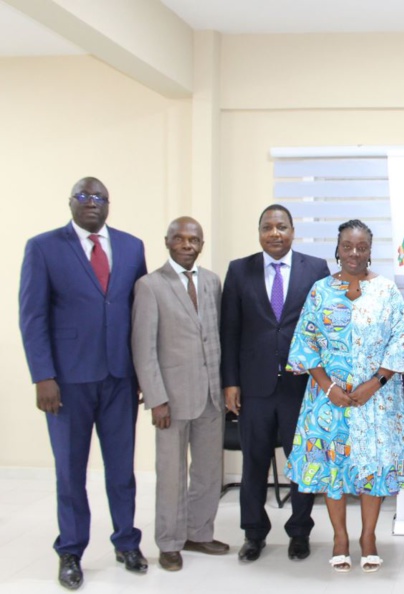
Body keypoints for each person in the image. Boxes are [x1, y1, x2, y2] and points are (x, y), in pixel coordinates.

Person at [19, 177, 149, 590]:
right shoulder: (43, 247)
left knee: (121, 469)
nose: (91, 202)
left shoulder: (131, 246)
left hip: (119, 379)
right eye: (83, 196)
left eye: (99, 197)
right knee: (71, 471)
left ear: (109, 204)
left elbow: (141, 314)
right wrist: (43, 376)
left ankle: (126, 541)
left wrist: (143, 373)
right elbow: (33, 316)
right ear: (70, 202)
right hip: (68, 382)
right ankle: (71, 550)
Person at [285, 219, 404, 573]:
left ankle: (368, 538)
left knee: (373, 469)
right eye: (347, 246)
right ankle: (339, 538)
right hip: (326, 399)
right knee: (333, 468)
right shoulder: (319, 291)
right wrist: (329, 387)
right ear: (337, 248)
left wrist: (374, 383)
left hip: (376, 400)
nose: (354, 253)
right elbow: (305, 344)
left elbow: (402, 343)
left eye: (361, 247)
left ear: (370, 250)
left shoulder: (387, 292)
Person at [220, 204, 330, 562]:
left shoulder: (315, 269)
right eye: (267, 227)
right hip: (254, 388)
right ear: (259, 233)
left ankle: (299, 532)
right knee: (253, 464)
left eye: (281, 226)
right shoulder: (239, 271)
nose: (275, 233)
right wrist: (230, 383)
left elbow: (325, 329)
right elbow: (230, 331)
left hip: (302, 387)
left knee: (301, 464)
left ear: (293, 231)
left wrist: (326, 382)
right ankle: (254, 533)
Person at [131, 217, 229, 571]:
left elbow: (215, 337)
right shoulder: (150, 285)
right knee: (171, 474)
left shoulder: (212, 282)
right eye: (180, 238)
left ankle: (199, 532)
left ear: (202, 245)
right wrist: (156, 398)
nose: (187, 244)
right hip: (170, 400)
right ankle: (169, 541)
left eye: (194, 239)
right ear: (167, 242)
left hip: (211, 398)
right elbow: (143, 348)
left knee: (207, 472)